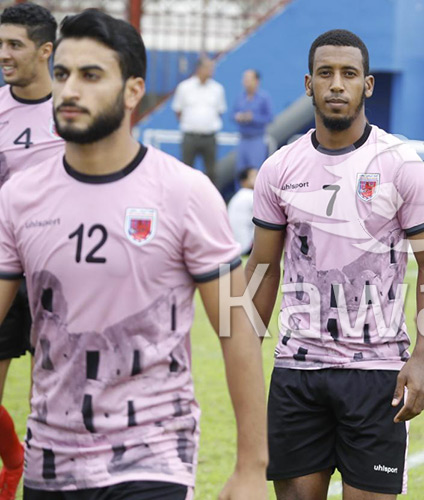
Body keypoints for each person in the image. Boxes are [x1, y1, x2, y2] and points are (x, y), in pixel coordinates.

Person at [0, 9, 267, 499]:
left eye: (91, 75)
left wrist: (251, 467)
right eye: (62, 74)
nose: (70, 90)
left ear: (133, 91)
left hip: (153, 458)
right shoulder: (19, 197)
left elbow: (236, 328)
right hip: (52, 462)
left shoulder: (185, 192)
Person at [246, 29, 424, 499]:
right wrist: (243, 355)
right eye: (325, 74)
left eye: (349, 74)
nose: (337, 84)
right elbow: (263, 267)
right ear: (308, 84)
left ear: (368, 85)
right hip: (298, 370)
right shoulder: (279, 168)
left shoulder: (401, 164)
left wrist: (422, 357)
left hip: (379, 372)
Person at [0, 3, 62, 499]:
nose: (3, 54)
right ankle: (13, 457)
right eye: (0, 44)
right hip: (3, 270)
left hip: (62, 275)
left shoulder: (74, 107)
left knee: (53, 399)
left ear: (45, 50)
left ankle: (43, 477)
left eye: (14, 44)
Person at [171, 55, 226, 183]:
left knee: (212, 172)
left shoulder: (217, 89)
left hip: (209, 137)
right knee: (186, 170)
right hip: (190, 136)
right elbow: (178, 110)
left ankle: (211, 202)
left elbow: (220, 111)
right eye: (208, 68)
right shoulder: (184, 87)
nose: (211, 71)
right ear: (199, 69)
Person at [232, 69, 272, 179]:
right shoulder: (240, 97)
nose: (245, 82)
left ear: (256, 81)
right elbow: (232, 114)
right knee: (240, 172)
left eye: (249, 79)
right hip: (243, 139)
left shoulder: (264, 98)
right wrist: (238, 117)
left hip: (257, 140)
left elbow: (269, 118)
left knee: (256, 172)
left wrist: (253, 117)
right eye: (244, 79)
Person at [228, 167, 257, 255]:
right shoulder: (250, 195)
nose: (259, 178)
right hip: (247, 247)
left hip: (233, 247)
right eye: (254, 176)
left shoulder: (236, 197)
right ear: (244, 182)